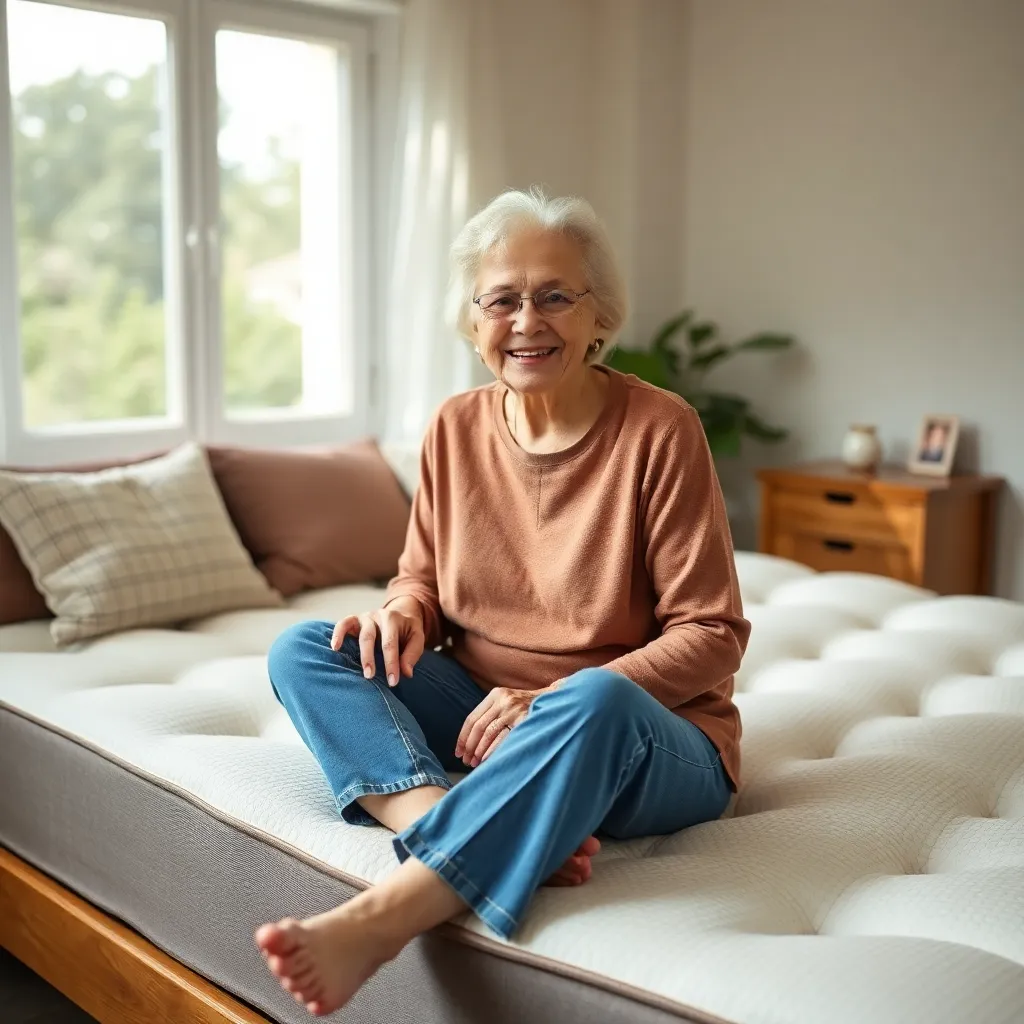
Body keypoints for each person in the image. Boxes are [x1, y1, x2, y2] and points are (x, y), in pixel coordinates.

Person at [254, 188, 751, 1016]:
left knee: (594, 695)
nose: (529, 320)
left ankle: (385, 916)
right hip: (485, 715)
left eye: (557, 295)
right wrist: (403, 617)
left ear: (600, 316)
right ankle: (455, 817)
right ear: (474, 320)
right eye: (503, 299)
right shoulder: (454, 427)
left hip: (644, 735)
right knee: (305, 647)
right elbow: (420, 580)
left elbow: (714, 634)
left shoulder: (661, 429)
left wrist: (546, 700)